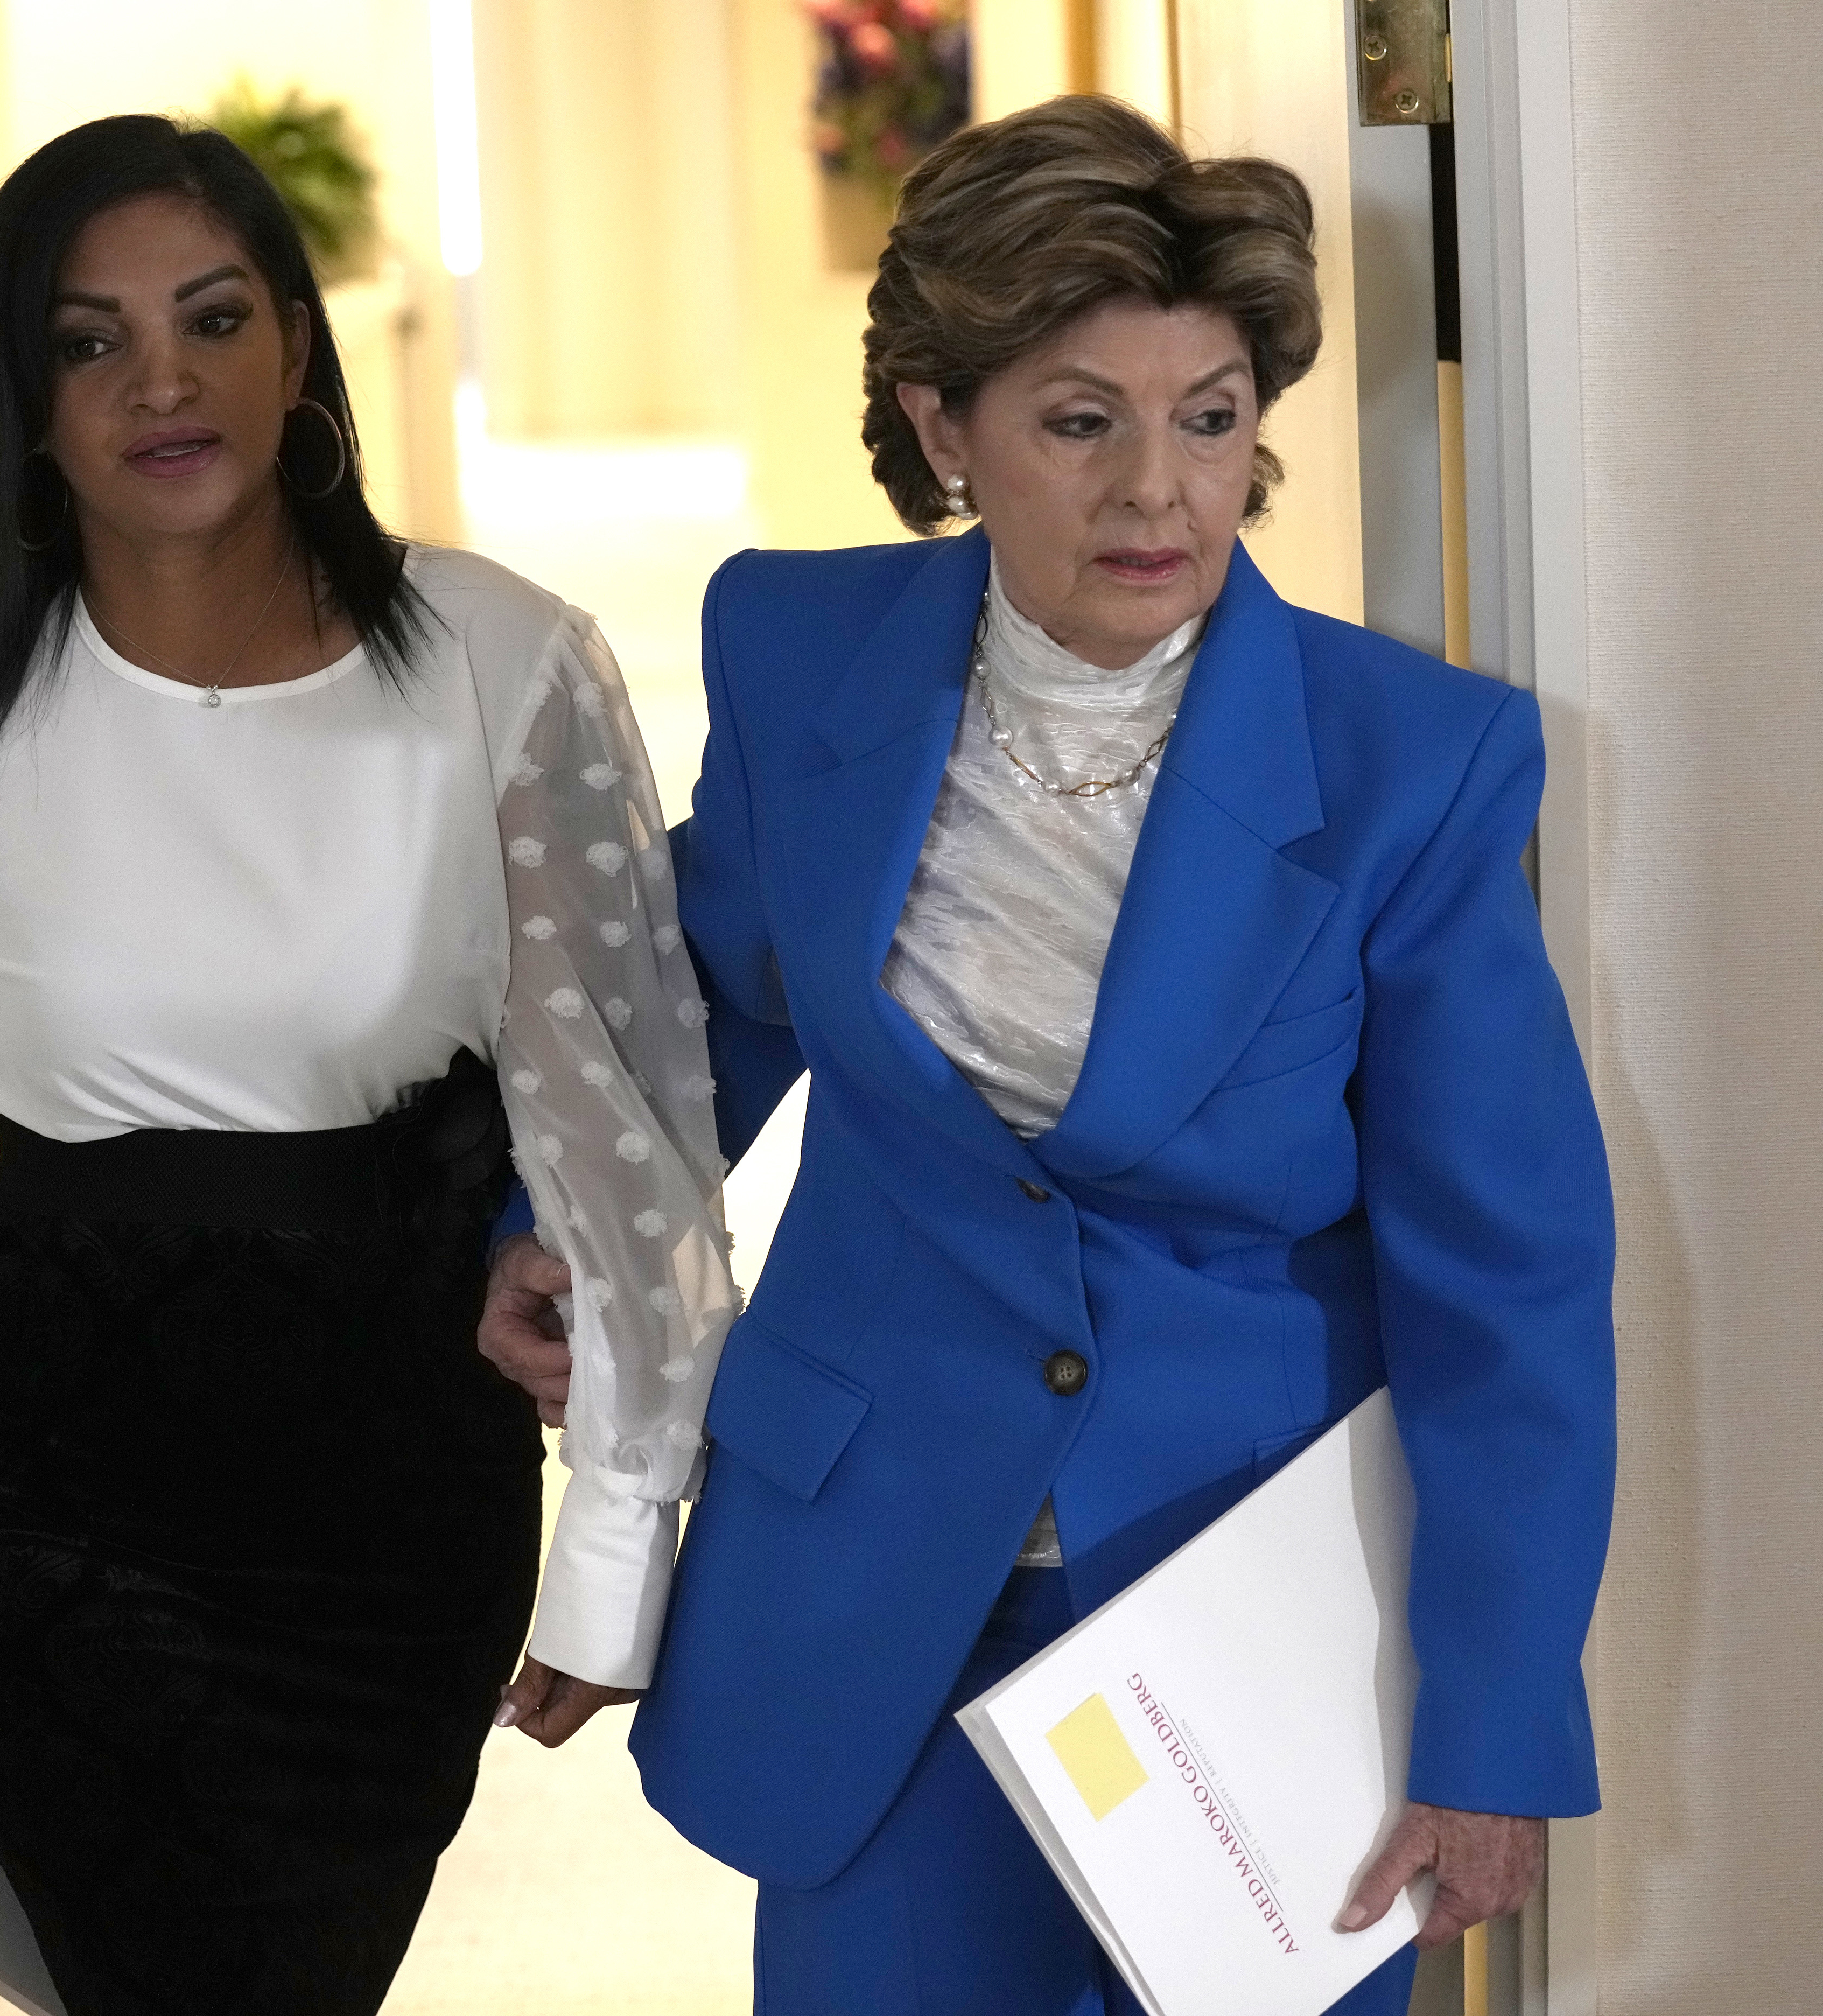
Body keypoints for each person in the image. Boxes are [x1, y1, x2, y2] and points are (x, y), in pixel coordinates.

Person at [479, 96, 1616, 2015]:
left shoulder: (1411, 764)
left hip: (1246, 1623)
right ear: (944, 426)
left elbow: (1505, 1285)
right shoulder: (795, 649)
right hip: (870, 1582)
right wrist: (552, 1227)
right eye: (1081, 420)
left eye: (1213, 413)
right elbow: (703, 996)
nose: (1159, 492)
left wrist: (1494, 1721)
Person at [0, 115, 734, 2016]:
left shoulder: (505, 663)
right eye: (90, 340)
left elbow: (625, 1120)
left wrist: (619, 1541)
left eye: (214, 317)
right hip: (35, 1468)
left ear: (298, 352)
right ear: (28, 397)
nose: (163, 379)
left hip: (385, 1481)